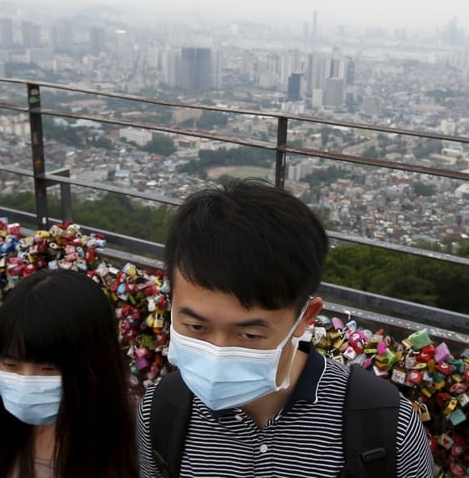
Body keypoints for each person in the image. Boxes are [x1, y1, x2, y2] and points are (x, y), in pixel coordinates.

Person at [136, 179, 433, 477]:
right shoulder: (163, 412)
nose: (218, 352)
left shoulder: (385, 426)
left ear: (306, 316)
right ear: (171, 300)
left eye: (249, 335)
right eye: (196, 326)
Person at [0, 268, 136, 478]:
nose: (26, 381)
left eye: (48, 368)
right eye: (11, 365)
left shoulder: (134, 426)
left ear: (94, 365)